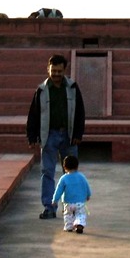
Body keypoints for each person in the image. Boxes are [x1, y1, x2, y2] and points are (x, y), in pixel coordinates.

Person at [26, 54, 86, 219]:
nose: (56, 75)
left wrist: (78, 133)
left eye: (59, 71)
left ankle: (73, 208)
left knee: (71, 174)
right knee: (47, 172)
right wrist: (32, 136)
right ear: (48, 69)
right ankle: (49, 207)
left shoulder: (72, 87)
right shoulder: (42, 90)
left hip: (68, 134)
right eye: (53, 71)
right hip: (49, 135)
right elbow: (34, 113)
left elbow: (80, 111)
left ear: (64, 70)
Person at [51, 155, 91, 234]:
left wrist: (55, 200)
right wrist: (88, 195)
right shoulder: (81, 177)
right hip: (80, 202)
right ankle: (79, 224)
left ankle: (69, 227)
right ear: (77, 166)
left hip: (68, 202)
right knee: (80, 214)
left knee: (68, 214)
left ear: (64, 167)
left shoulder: (64, 178)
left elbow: (58, 190)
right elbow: (87, 186)